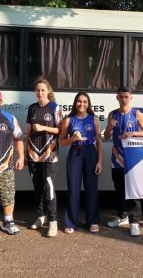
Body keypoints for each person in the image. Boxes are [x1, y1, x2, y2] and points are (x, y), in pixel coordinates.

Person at [104, 86, 143, 237]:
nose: (123, 99)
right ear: (117, 98)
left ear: (131, 98)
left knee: (133, 190)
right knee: (119, 189)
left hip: (132, 158)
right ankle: (122, 216)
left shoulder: (136, 113)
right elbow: (107, 136)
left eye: (126, 97)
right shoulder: (112, 114)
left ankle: (134, 222)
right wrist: (110, 125)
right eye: (121, 97)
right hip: (116, 158)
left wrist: (133, 133)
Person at [60, 92, 102, 234]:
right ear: (75, 103)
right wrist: (72, 139)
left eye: (85, 102)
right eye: (79, 101)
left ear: (88, 104)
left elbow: (99, 141)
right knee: (73, 188)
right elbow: (62, 142)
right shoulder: (68, 120)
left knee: (91, 188)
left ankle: (93, 221)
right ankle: (71, 221)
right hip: (75, 153)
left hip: (91, 152)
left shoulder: (94, 119)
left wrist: (99, 161)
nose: (82, 104)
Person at [26, 77, 62, 237]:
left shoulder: (54, 107)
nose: (40, 92)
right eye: (38, 90)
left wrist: (43, 127)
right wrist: (26, 154)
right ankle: (41, 217)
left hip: (50, 153)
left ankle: (53, 221)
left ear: (48, 91)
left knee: (48, 186)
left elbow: (60, 130)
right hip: (33, 153)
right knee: (37, 187)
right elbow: (28, 131)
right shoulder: (32, 108)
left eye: (42, 90)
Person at [0, 91, 24, 235]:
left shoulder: (9, 118)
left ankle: (8, 221)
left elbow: (19, 138)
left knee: (8, 194)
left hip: (5, 166)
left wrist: (21, 157)